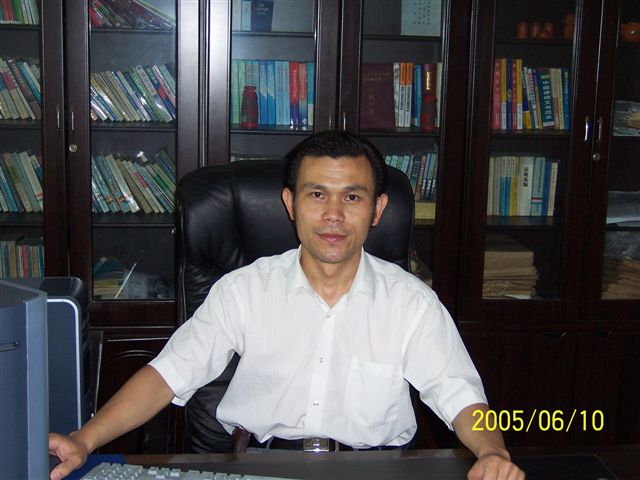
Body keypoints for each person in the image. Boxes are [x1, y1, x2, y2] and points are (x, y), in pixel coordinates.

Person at [49, 130, 524, 480]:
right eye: (317, 194)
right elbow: (167, 375)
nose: (333, 214)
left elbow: (459, 394)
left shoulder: (411, 302)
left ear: (378, 209)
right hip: (256, 466)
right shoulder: (244, 289)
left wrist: (492, 452)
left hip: (373, 470)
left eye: (352, 197)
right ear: (290, 203)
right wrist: (85, 439)